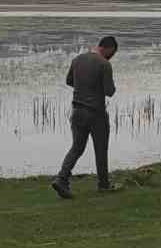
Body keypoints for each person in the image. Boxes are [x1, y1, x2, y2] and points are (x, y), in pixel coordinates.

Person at [51, 35, 119, 199]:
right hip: (96, 113)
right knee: (101, 149)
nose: (112, 56)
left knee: (77, 148)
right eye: (112, 53)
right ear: (108, 48)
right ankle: (103, 184)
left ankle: (61, 179)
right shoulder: (104, 64)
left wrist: (84, 86)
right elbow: (109, 91)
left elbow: (69, 81)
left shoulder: (77, 59)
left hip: (77, 111)